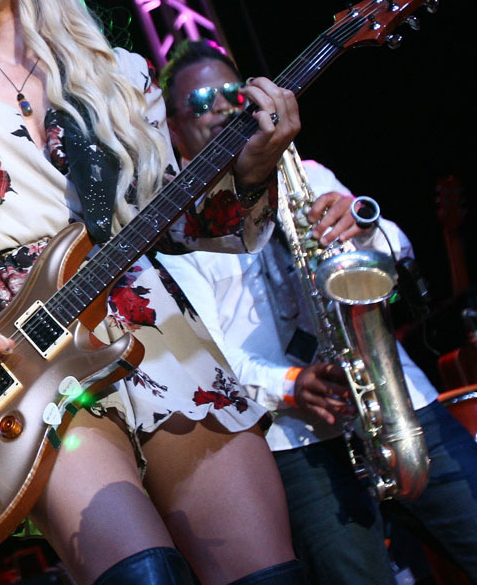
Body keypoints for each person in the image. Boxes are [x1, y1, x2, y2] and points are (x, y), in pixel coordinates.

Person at [0, 0, 304, 585]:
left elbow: (186, 224)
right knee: (142, 577)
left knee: (269, 578)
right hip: (24, 354)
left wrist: (251, 172)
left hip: (152, 330)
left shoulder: (121, 75)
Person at [156, 38, 477, 585]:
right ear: (171, 128)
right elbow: (213, 360)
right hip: (298, 445)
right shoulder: (178, 233)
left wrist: (364, 225)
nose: (223, 106)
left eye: (235, 91)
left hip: (401, 403)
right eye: (203, 99)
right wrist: (291, 384)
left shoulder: (306, 174)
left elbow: (395, 251)